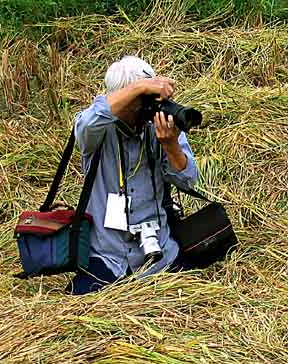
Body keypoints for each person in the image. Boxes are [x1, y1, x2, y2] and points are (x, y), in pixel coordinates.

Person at [69, 55, 200, 295]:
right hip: (109, 256)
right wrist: (139, 87)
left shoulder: (160, 127)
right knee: (77, 308)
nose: (147, 108)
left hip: (161, 251)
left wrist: (171, 146)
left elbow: (189, 180)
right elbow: (85, 125)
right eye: (140, 101)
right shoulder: (98, 130)